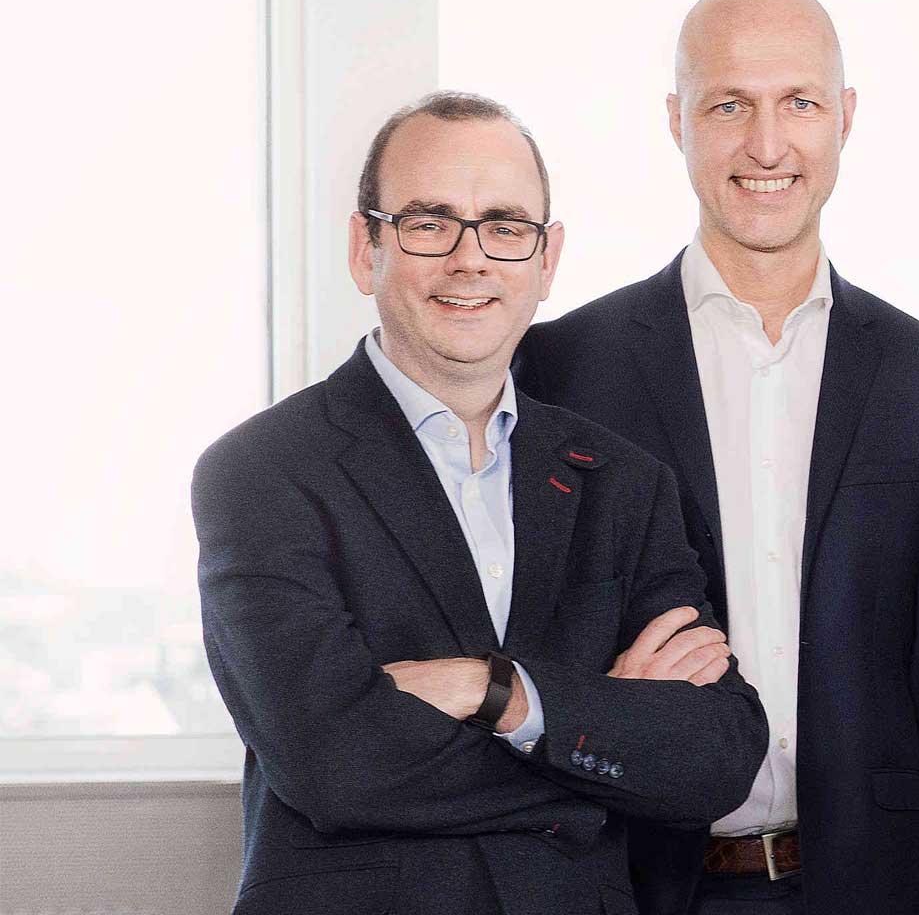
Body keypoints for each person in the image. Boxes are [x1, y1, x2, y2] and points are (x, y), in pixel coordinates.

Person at [194, 91, 769, 913]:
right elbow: (334, 764)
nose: (471, 259)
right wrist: (601, 733)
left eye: (504, 226)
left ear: (547, 258)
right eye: (430, 223)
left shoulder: (622, 482)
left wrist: (492, 691)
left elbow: (717, 754)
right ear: (367, 248)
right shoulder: (262, 472)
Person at [512, 0, 919, 915]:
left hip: (869, 889)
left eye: (801, 103)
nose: (768, 145)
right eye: (730, 105)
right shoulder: (564, 367)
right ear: (676, 120)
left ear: (846, 118)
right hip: (633, 884)